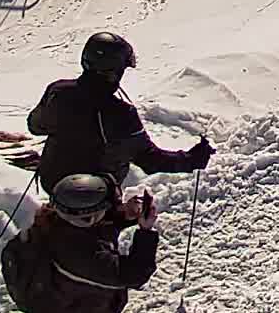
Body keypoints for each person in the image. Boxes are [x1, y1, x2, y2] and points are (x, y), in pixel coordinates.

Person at [29, 32, 212, 194]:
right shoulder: (120, 113)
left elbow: (35, 126)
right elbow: (150, 160)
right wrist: (190, 160)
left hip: (53, 184)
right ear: (114, 71)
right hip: (95, 196)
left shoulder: (57, 90)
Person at [0, 172, 162, 313]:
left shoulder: (53, 220)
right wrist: (145, 232)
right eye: (105, 208)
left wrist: (124, 216)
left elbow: (91, 226)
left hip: (51, 298)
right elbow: (133, 274)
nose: (109, 211)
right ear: (89, 218)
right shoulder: (82, 255)